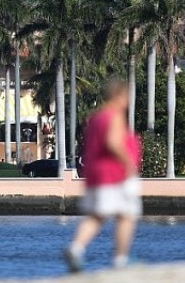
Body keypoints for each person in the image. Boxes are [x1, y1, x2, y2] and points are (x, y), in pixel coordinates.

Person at [64, 79, 142, 272]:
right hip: (115, 173)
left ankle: (76, 248)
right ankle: (121, 258)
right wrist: (128, 162)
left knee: (97, 215)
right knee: (126, 214)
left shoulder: (95, 118)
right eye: (127, 96)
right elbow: (113, 142)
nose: (129, 100)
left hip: (96, 174)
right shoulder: (113, 116)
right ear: (119, 95)